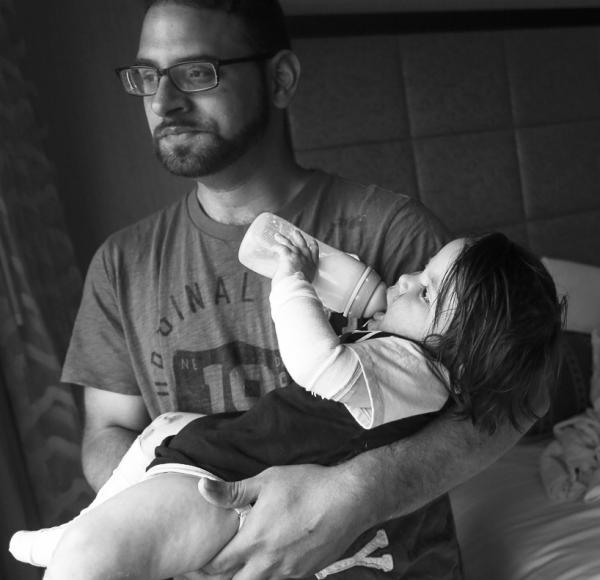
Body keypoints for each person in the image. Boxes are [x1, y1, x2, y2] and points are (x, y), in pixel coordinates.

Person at [51, 1, 550, 578]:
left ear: (280, 79)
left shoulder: (396, 233)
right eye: (147, 76)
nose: (163, 102)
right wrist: (161, 518)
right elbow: (110, 432)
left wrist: (351, 494)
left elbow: (516, 398)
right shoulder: (122, 264)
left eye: (196, 72)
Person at [10, 230, 564, 580]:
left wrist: (290, 279)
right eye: (421, 269)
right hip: (221, 454)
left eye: (426, 291)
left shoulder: (414, 367)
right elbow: (106, 429)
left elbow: (317, 365)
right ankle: (86, 527)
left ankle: (85, 540)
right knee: (162, 431)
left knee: (95, 562)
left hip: (233, 487)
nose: (404, 279)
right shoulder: (124, 260)